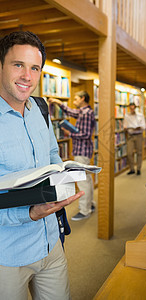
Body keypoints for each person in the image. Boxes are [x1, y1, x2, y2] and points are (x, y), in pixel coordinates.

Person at [0, 31, 84, 300]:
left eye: (34, 68)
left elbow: (52, 155)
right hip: (7, 255)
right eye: (18, 65)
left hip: (50, 243)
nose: (27, 76)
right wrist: (29, 213)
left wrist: (62, 184)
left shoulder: (40, 109)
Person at [48, 91, 95, 221]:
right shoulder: (85, 111)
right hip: (84, 150)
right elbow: (71, 112)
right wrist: (59, 103)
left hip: (82, 150)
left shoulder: (85, 114)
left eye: (76, 98)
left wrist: (70, 133)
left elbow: (85, 134)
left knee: (82, 181)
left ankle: (85, 210)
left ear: (83, 98)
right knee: (88, 179)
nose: (74, 101)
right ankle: (90, 205)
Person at [124, 102, 146, 175]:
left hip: (139, 134)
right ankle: (132, 168)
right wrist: (127, 128)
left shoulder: (140, 115)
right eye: (131, 108)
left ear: (135, 108)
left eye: (133, 108)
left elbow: (144, 126)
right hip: (130, 135)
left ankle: (139, 169)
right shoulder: (127, 115)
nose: (132, 110)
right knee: (129, 153)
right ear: (129, 108)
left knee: (139, 152)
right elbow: (125, 125)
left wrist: (139, 127)